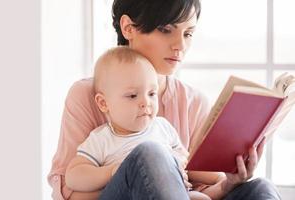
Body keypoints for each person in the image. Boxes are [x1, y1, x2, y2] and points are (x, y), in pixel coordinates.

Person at [48, 0, 282, 199]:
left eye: (188, 33)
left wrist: (229, 181)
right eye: (166, 29)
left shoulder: (193, 102)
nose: (180, 46)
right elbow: (71, 192)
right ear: (128, 27)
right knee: (151, 154)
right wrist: (133, 173)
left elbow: (201, 189)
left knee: (260, 188)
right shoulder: (87, 95)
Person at [65, 46, 212, 200]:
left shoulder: (163, 127)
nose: (145, 102)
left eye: (151, 93)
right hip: (125, 195)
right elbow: (73, 176)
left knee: (202, 198)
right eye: (133, 95)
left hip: (169, 192)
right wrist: (112, 171)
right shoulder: (102, 138)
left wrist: (218, 178)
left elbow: (185, 160)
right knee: (151, 152)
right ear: (103, 103)